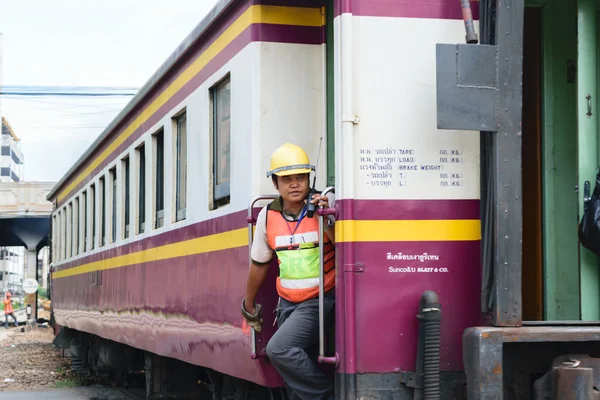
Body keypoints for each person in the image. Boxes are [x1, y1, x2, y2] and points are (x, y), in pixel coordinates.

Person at [241, 143, 336, 400]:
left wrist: (326, 217)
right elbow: (260, 263)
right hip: (287, 305)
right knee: (295, 383)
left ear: (309, 179)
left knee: (280, 349)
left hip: (320, 301)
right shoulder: (267, 216)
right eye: (286, 179)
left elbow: (345, 246)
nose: (295, 184)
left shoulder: (325, 207)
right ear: (275, 184)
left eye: (301, 178)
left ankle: (328, 396)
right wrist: (249, 303)